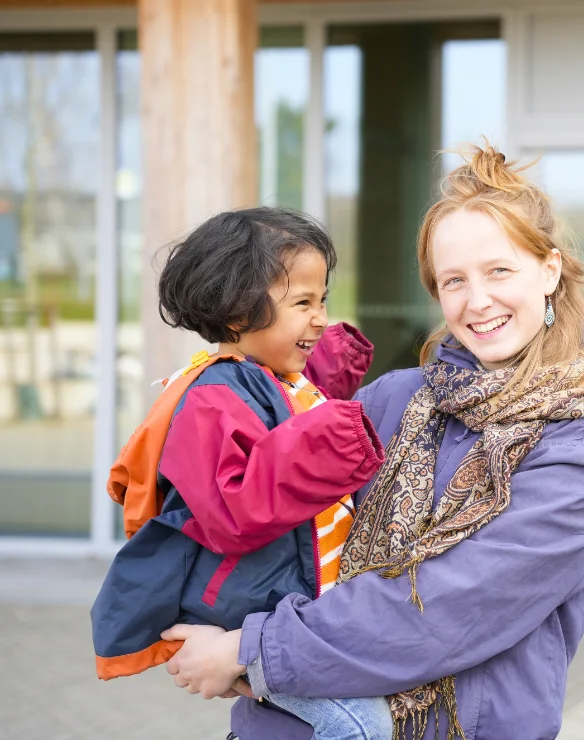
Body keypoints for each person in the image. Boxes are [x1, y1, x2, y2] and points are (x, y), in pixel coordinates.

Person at [162, 146, 584, 740]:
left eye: (499, 271)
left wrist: (250, 650)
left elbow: (441, 612)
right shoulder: (394, 401)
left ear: (551, 271)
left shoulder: (577, 455)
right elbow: (275, 519)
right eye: (453, 280)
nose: (476, 300)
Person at [90, 207, 393, 740]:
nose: (320, 317)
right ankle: (251, 674)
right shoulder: (211, 397)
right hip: (255, 613)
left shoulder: (269, 378)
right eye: (302, 303)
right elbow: (233, 509)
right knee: (361, 726)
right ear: (237, 315)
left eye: (322, 300)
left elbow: (290, 422)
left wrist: (332, 367)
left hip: (283, 608)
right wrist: (333, 443)